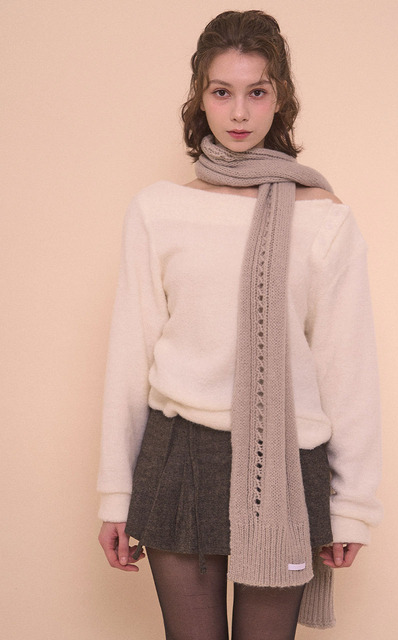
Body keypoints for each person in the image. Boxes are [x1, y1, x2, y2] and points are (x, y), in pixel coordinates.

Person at [97, 10, 382, 640]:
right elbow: (130, 355)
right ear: (200, 98)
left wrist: (353, 506)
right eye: (222, 92)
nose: (240, 112)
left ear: (280, 99)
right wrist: (115, 494)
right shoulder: (159, 210)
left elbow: (347, 366)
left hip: (286, 466)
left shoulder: (324, 218)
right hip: (179, 457)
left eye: (257, 92)